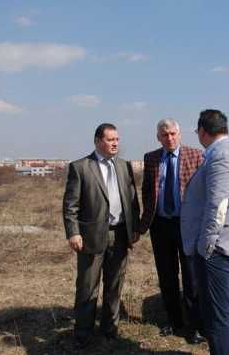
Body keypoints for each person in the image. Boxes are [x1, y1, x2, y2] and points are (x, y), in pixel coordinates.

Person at [181, 109, 229, 355]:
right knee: (224, 312)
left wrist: (206, 246)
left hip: (219, 250)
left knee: (217, 316)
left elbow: (218, 204)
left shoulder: (221, 155)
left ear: (203, 131)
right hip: (226, 246)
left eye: (197, 131)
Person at [62, 123, 141, 348]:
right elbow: (70, 205)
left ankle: (109, 330)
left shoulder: (124, 166)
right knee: (88, 287)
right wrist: (73, 233)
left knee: (115, 285)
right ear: (97, 141)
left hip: (120, 234)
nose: (115, 143)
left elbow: (132, 200)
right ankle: (83, 334)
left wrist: (134, 226)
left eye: (117, 139)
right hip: (91, 236)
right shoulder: (81, 167)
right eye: (110, 139)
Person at [140, 118, 205, 344]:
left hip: (187, 225)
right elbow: (147, 190)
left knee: (191, 277)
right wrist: (147, 218)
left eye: (173, 134)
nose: (169, 138)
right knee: (167, 276)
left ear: (179, 134)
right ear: (158, 137)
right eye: (164, 135)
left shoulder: (196, 156)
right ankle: (174, 321)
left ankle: (195, 326)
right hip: (160, 225)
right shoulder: (151, 158)